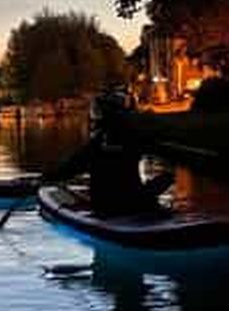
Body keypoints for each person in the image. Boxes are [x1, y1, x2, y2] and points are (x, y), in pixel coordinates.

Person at [46, 88, 174, 217]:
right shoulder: (134, 138)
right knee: (165, 177)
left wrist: (46, 178)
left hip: (106, 206)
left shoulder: (97, 144)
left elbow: (69, 168)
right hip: (133, 203)